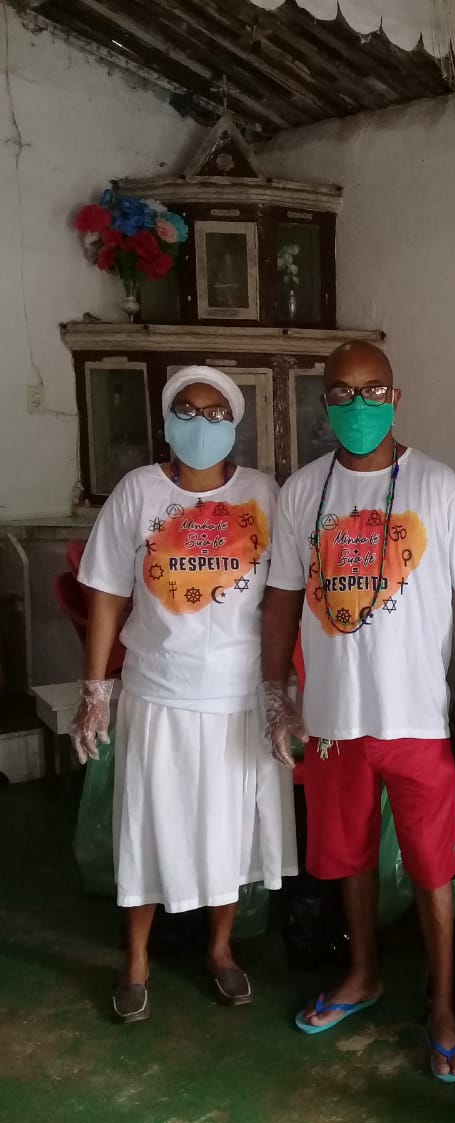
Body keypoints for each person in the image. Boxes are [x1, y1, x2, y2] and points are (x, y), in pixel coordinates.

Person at [262, 340, 455, 1083]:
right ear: (324, 403)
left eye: (373, 392)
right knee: (348, 855)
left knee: (433, 868)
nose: (358, 406)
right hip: (334, 722)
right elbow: (282, 601)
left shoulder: (438, 486)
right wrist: (275, 692)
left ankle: (442, 1008)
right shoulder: (303, 492)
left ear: (395, 399)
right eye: (342, 393)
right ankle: (363, 973)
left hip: (415, 721)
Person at [71, 366, 296, 1023]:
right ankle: (136, 960)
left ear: (235, 425)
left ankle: (220, 950)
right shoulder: (138, 492)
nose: (202, 425)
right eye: (188, 412)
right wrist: (95, 689)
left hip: (237, 697)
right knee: (148, 825)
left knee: (230, 831)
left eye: (216, 413)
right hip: (159, 692)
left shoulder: (262, 494)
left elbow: (282, 599)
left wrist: (280, 688)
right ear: (167, 423)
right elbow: (106, 592)